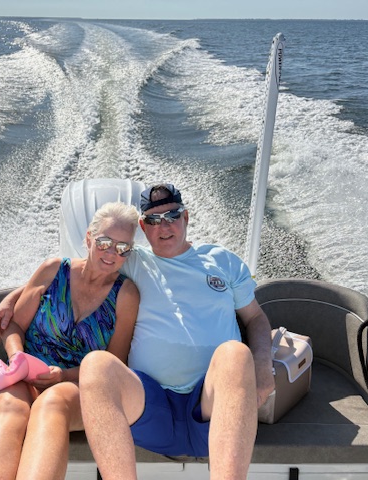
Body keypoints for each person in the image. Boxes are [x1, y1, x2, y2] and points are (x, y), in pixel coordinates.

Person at [78, 184, 275, 480]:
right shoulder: (130, 261)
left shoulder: (222, 261)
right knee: (96, 365)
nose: (164, 226)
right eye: (154, 220)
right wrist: (15, 299)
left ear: (186, 217)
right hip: (149, 406)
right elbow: (80, 270)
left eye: (172, 216)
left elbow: (256, 318)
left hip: (212, 404)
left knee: (234, 354)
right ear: (143, 227)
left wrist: (262, 365)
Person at [0, 202, 140, 480]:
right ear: (89, 238)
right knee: (8, 407)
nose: (112, 253)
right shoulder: (53, 270)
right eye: (105, 242)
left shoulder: (126, 295)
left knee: (51, 404)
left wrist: (63, 375)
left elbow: (113, 365)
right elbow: (14, 325)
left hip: (78, 384)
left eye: (122, 247)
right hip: (26, 371)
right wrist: (17, 358)